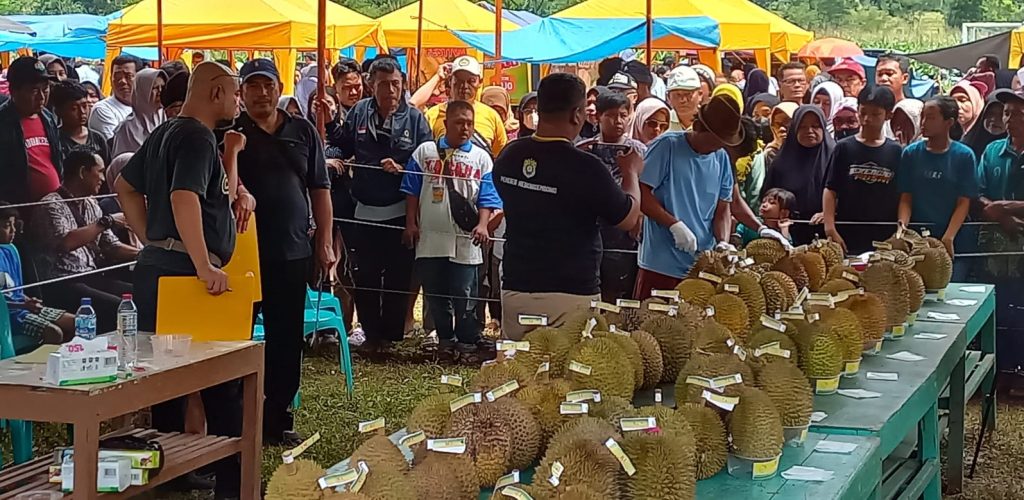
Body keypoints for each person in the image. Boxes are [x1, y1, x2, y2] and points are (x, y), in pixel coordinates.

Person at [115, 61, 246, 500]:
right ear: (215, 93)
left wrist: (150, 237)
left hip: (157, 266)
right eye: (234, 93)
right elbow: (183, 196)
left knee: (165, 382)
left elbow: (124, 186)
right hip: (186, 275)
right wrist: (202, 263)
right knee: (221, 382)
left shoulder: (165, 131)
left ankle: (167, 478)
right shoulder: (195, 136)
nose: (237, 101)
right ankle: (233, 485)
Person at [230, 58, 334, 445]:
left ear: (279, 88)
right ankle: (233, 419)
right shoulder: (231, 133)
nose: (261, 93)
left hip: (292, 252)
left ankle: (276, 420)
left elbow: (320, 190)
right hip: (240, 256)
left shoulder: (303, 131)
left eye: (267, 85)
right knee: (236, 338)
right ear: (241, 93)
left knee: (286, 338)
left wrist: (324, 241)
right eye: (252, 86)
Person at [494, 73, 642, 340]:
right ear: (577, 115)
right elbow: (628, 218)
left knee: (520, 371)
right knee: (566, 376)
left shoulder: (509, 155)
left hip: (516, 287)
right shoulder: (586, 167)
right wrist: (631, 173)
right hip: (572, 293)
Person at [328, 57, 432, 350]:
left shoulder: (415, 118)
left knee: (399, 276)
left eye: (396, 84)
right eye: (384, 84)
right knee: (366, 275)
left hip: (400, 210)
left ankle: (392, 336)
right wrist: (327, 126)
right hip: (364, 208)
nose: (391, 90)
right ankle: (371, 334)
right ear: (371, 85)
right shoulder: (360, 112)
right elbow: (343, 144)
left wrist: (403, 166)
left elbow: (428, 160)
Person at [400, 99, 501, 359]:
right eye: (459, 122)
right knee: (435, 291)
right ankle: (446, 339)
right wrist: (411, 223)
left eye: (469, 123)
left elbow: (488, 197)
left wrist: (482, 224)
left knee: (465, 292)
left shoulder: (481, 158)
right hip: (430, 237)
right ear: (446, 124)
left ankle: (467, 341)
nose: (465, 128)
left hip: (466, 239)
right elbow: (411, 189)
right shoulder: (424, 152)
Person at [635, 93, 742, 298]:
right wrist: (674, 224)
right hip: (661, 264)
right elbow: (642, 194)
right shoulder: (667, 146)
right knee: (651, 323)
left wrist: (722, 241)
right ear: (701, 128)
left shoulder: (721, 158)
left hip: (702, 266)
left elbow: (722, 209)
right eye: (716, 140)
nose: (719, 146)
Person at [32, 148, 137, 331]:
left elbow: (110, 246)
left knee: (138, 296)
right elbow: (66, 242)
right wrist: (107, 221)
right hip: (62, 282)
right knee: (117, 307)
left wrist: (143, 254)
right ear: (82, 172)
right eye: (100, 171)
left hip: (91, 276)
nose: (103, 179)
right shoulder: (49, 205)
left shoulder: (91, 204)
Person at [577, 92, 648, 302]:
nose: (618, 121)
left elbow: (648, 189)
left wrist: (640, 217)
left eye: (623, 115)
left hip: (625, 234)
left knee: (621, 292)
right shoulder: (584, 150)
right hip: (589, 230)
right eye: (611, 115)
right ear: (597, 117)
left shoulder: (639, 152)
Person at [823, 86, 902, 254]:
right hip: (847, 232)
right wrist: (830, 228)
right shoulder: (844, 148)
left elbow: (904, 195)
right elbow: (830, 190)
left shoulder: (896, 151)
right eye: (863, 112)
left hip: (885, 234)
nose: (867, 119)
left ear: (888, 115)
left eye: (875, 114)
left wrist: (900, 231)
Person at [897, 95, 978, 259]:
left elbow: (964, 202)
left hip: (955, 235)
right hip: (919, 237)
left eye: (931, 118)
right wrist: (902, 229)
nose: (923, 123)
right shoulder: (911, 153)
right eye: (922, 117)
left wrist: (948, 237)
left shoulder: (964, 155)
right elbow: (906, 197)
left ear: (949, 122)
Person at [1, 202, 75, 353]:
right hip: (9, 315)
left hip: (22, 308)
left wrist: (28, 301)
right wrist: (23, 306)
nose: (13, 231)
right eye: (7, 225)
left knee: (77, 322)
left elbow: (16, 290)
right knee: (54, 332)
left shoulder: (10, 251)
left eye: (14, 225)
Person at [974, 89, 1024, 309]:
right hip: (994, 249)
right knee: (998, 304)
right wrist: (998, 213)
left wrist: (1007, 207)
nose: (1010, 120)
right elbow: (976, 193)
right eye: (1006, 113)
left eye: (1019, 114)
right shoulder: (992, 151)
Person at [761, 105, 834, 245]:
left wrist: (828, 213)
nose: (810, 131)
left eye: (815, 126)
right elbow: (767, 195)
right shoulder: (781, 161)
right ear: (794, 129)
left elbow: (847, 195)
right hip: (787, 234)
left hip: (827, 234)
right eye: (803, 127)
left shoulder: (835, 157)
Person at [0, 57, 62, 205]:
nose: (41, 97)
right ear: (14, 91)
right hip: (17, 211)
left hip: (52, 206)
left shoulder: (48, 118)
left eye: (45, 89)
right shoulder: (3, 122)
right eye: (34, 90)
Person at [422, 56, 508, 158]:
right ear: (450, 81)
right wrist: (437, 77)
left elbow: (500, 155)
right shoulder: (433, 115)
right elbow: (424, 154)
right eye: (459, 80)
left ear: (480, 82)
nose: (464, 86)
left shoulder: (492, 116)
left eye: (471, 80)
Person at [50, 80, 110, 165]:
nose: (82, 112)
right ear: (59, 111)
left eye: (84, 106)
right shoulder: (55, 141)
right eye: (74, 109)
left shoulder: (98, 139)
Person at [111, 68, 167, 157]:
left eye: (163, 87)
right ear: (142, 91)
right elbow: (119, 163)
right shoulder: (126, 129)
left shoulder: (167, 119)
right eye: (155, 88)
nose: (160, 91)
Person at [89, 55, 139, 140]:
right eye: (117, 77)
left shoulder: (145, 107)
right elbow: (118, 144)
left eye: (128, 76)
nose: (122, 81)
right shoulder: (102, 109)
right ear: (110, 79)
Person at [962, 89, 1010, 159]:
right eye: (990, 113)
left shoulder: (1015, 151)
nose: (994, 119)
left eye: (1002, 115)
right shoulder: (968, 143)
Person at [755, 102, 798, 176]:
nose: (781, 129)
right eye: (777, 124)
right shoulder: (771, 153)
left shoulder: (810, 150)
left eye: (787, 123)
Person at [666, 66, 701, 132]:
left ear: (700, 94)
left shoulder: (710, 123)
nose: (682, 100)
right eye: (677, 95)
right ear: (668, 97)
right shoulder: (662, 123)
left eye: (688, 94)